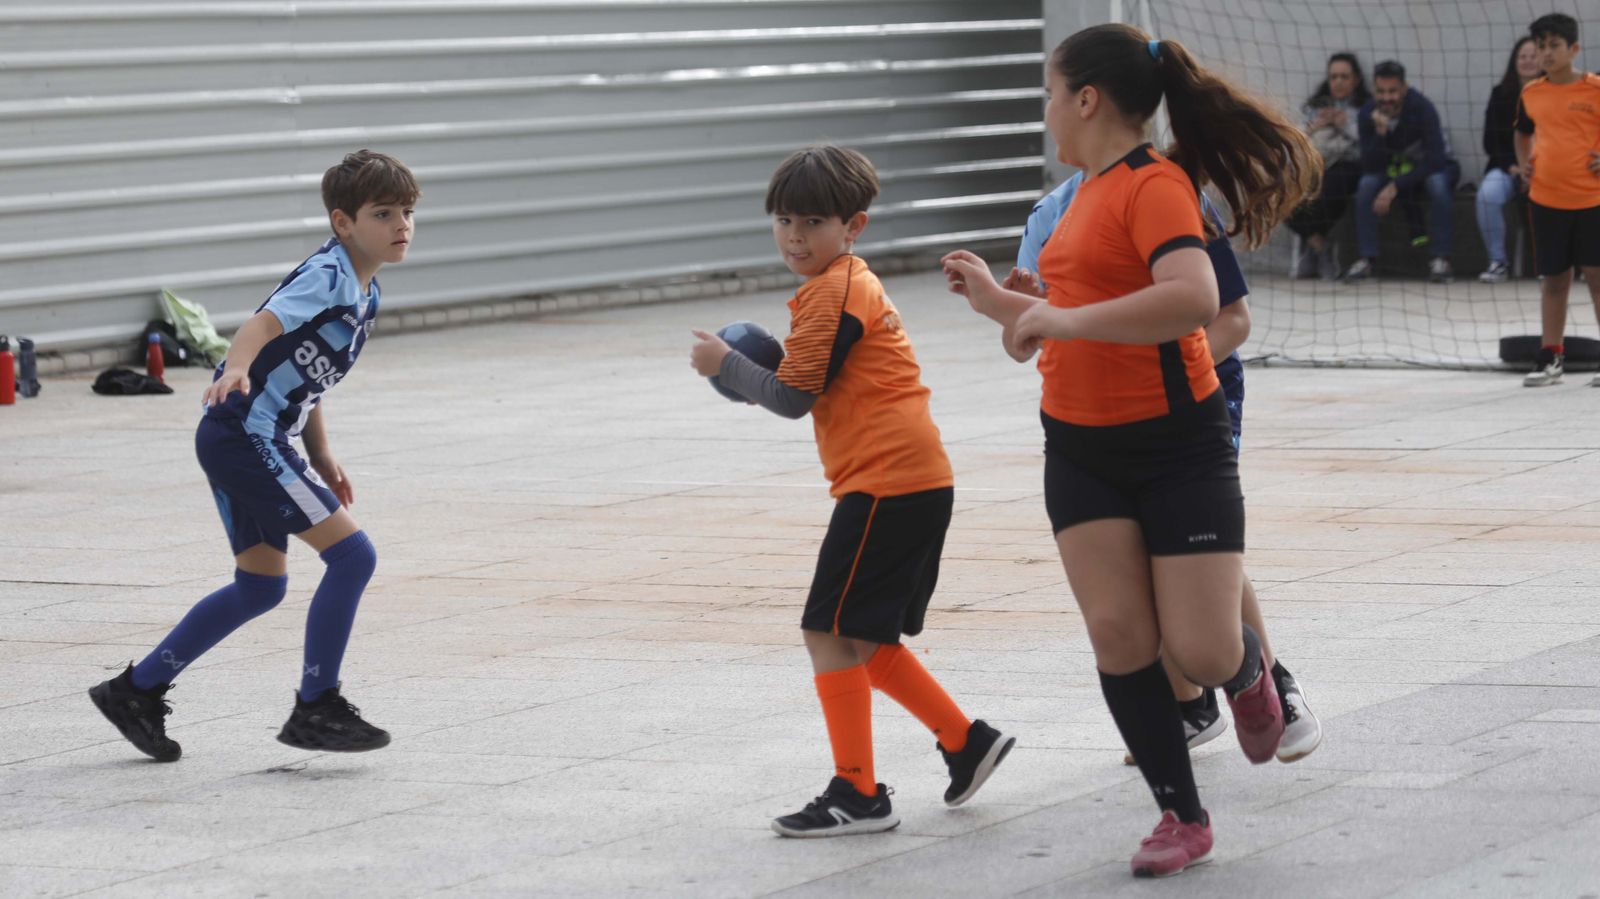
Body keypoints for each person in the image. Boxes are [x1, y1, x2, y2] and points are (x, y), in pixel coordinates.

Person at [943, 24, 1318, 877]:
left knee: (1202, 651)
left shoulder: (1155, 186)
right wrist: (1004, 305)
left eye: (1048, 92)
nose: (1044, 110)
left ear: (1087, 99)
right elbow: (1061, 323)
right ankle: (1181, 815)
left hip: (1177, 442)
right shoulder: (1073, 200)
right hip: (1078, 443)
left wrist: (1060, 318)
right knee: (1118, 633)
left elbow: (1191, 299)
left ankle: (1251, 671)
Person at [689, 146, 1016, 838]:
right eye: (783, 220)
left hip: (888, 483)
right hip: (907, 480)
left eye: (812, 221)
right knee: (860, 635)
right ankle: (965, 740)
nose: (794, 237)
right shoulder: (845, 283)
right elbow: (809, 382)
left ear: (854, 226)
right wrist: (757, 373)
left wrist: (728, 364)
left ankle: (859, 792)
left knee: (829, 630)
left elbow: (793, 398)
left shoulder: (834, 291)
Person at [88, 150, 418, 760]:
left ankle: (134, 691)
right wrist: (236, 366)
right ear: (343, 222)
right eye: (383, 213)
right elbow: (261, 327)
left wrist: (321, 454)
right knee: (353, 557)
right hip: (243, 435)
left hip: (244, 437)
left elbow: (305, 378)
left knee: (260, 587)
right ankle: (317, 704)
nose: (401, 224)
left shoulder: (365, 291)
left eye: (407, 212)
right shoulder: (330, 275)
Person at [1016, 178, 1323, 769]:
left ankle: (1273, 681)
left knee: (1192, 543)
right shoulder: (1050, 215)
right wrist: (1012, 305)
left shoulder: (1169, 194)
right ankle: (1190, 706)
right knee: (1134, 556)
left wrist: (1165, 378)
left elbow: (1233, 320)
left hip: (1195, 393)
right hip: (1102, 411)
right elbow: (1026, 337)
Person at [1516, 13, 1600, 387]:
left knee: (1598, 279)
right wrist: (1524, 165)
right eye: (1541, 46)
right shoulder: (1532, 93)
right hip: (1546, 199)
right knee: (1554, 281)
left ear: (1574, 49)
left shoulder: (1594, 90)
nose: (1546, 53)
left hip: (1592, 199)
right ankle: (1551, 357)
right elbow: (1522, 134)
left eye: (1554, 45)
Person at [1343, 60, 1462, 284]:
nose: (1387, 98)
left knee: (1437, 186)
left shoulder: (1422, 108)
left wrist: (1395, 186)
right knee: (1366, 185)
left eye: (1393, 91)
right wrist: (1380, 133)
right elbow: (1369, 165)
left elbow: (1435, 160)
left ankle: (1441, 259)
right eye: (1381, 91)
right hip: (1393, 170)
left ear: (1404, 89)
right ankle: (1367, 259)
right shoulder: (1368, 113)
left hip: (1434, 168)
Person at [1287, 53, 1372, 279]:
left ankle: (1317, 249)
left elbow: (1371, 145)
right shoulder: (1315, 106)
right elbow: (1294, 138)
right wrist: (1313, 128)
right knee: (1280, 190)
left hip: (1347, 164)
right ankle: (1321, 245)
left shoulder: (1365, 107)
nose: (1339, 82)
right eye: (1334, 77)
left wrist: (1343, 123)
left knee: (1330, 189)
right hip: (1314, 163)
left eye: (1344, 76)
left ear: (1355, 80)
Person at [1477, 37, 1541, 283]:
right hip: (1507, 167)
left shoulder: (1553, 93)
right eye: (1522, 56)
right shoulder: (1500, 95)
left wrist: (1536, 169)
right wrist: (1514, 168)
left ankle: (1552, 264)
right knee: (1487, 196)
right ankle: (1498, 261)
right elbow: (1490, 141)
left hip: (1546, 169)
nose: (1527, 61)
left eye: (1532, 55)